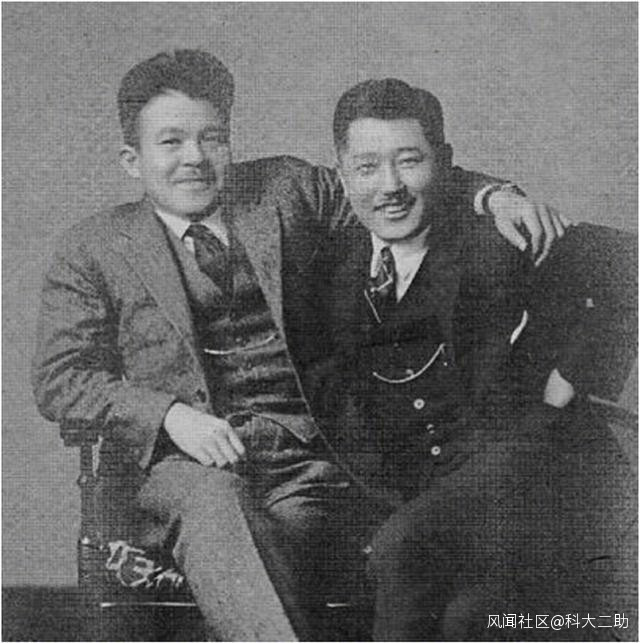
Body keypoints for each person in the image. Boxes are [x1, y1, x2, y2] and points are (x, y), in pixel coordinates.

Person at [31, 50, 568, 641]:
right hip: (183, 470)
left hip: (306, 460)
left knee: (278, 546)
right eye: (171, 142)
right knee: (218, 506)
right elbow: (61, 378)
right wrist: (171, 416)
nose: (195, 158)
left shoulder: (285, 191)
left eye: (212, 138)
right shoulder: (93, 249)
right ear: (132, 160)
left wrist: (495, 196)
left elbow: (385, 182)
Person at [311, 78, 634, 641]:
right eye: (367, 168)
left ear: (444, 162)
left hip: (540, 474)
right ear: (342, 176)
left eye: (409, 161)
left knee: (401, 550)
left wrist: (569, 381)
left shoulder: (499, 236)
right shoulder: (333, 267)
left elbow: (630, 265)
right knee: (468, 616)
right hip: (444, 501)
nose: (390, 187)